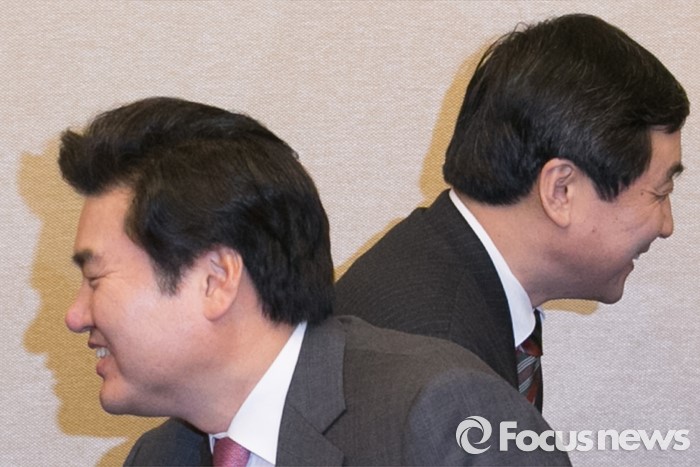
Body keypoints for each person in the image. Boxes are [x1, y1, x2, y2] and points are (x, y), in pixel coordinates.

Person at [59, 97, 570, 466]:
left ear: (216, 280)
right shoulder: (158, 458)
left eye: (95, 278)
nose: (74, 316)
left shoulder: (438, 418)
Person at [335, 13, 689, 412]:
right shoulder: (442, 371)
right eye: (659, 193)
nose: (667, 226)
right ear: (561, 190)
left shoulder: (441, 274)